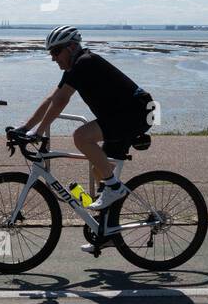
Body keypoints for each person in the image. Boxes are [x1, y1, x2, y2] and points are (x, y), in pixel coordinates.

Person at [12, 26, 154, 212]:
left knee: (81, 136)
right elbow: (51, 99)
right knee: (101, 169)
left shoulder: (85, 63)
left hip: (138, 112)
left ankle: (114, 188)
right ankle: (107, 231)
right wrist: (25, 127)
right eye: (51, 53)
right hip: (125, 115)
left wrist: (38, 133)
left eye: (55, 51)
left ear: (70, 48)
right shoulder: (75, 68)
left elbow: (62, 100)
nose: (53, 57)